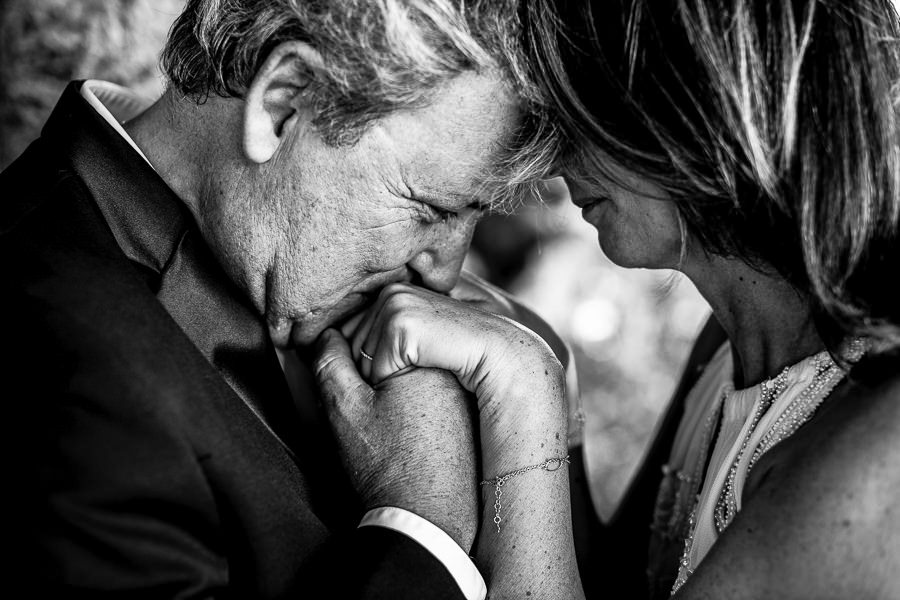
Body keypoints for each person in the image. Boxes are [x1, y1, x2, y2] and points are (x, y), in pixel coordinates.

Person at [314, 0, 900, 597]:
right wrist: (542, 373)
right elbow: (622, 588)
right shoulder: (728, 342)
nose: (555, 161)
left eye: (580, 109)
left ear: (695, 104)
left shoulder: (882, 449)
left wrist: (521, 395)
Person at [0, 1, 570, 597]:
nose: (443, 273)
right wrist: (423, 527)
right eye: (430, 210)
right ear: (284, 102)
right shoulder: (48, 354)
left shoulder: (262, 266)